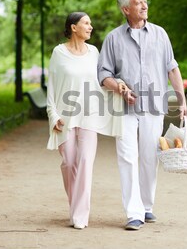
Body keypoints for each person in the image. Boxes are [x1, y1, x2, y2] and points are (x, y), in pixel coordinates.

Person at [98, 0, 187, 230]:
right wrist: (119, 88)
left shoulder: (160, 34)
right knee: (127, 157)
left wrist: (182, 100)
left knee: (150, 157)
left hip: (153, 106)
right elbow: (104, 74)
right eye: (138, 3)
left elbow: (172, 68)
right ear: (126, 9)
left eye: (145, 1)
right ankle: (133, 212)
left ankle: (147, 206)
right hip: (124, 108)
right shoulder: (113, 38)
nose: (145, 5)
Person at [46, 12, 124, 230]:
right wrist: (53, 114)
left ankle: (79, 215)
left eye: (91, 23)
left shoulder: (94, 52)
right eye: (86, 23)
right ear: (73, 27)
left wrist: (118, 85)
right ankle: (75, 206)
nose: (91, 27)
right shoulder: (59, 52)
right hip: (65, 116)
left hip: (89, 114)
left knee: (85, 163)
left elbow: (100, 81)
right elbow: (52, 86)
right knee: (69, 162)